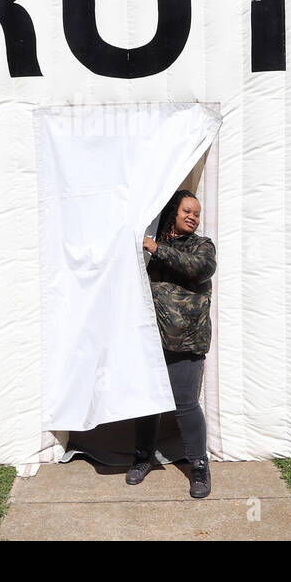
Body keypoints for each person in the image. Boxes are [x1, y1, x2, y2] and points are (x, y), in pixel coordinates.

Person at [127, 188, 216, 499]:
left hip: (187, 340)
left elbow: (197, 268)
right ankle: (143, 459)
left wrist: (156, 249)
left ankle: (200, 466)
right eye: (186, 211)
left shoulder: (202, 246)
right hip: (151, 340)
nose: (193, 217)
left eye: (197, 213)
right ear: (173, 213)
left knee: (186, 405)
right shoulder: (150, 247)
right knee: (148, 402)